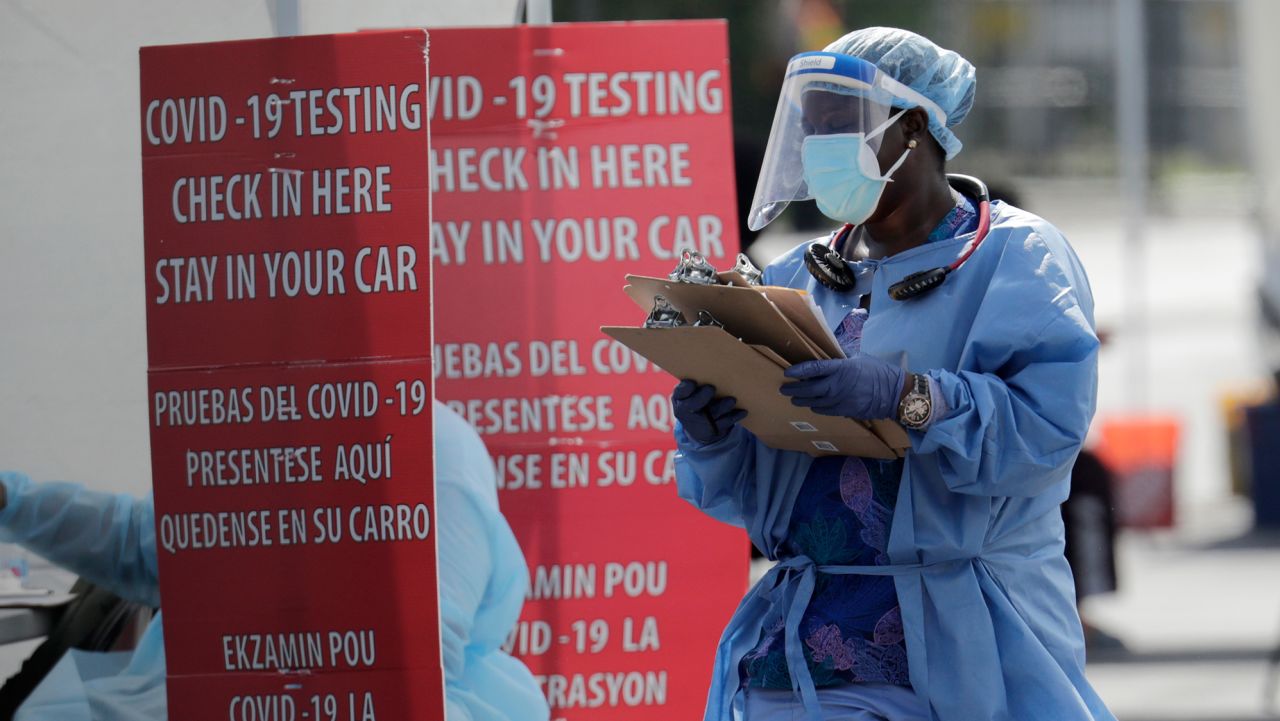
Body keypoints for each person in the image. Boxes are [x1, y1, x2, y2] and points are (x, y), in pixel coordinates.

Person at [671, 27, 1114, 721]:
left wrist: (909, 398)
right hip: (805, 647)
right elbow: (762, 502)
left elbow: (1043, 435)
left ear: (912, 125)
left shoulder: (1016, 258)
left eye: (839, 124)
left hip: (958, 639)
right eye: (810, 127)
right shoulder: (796, 278)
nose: (819, 147)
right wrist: (715, 434)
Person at [0, 401, 548, 721]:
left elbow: (413, 682)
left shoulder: (433, 449)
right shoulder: (256, 418)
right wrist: (14, 503)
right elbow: (152, 545)